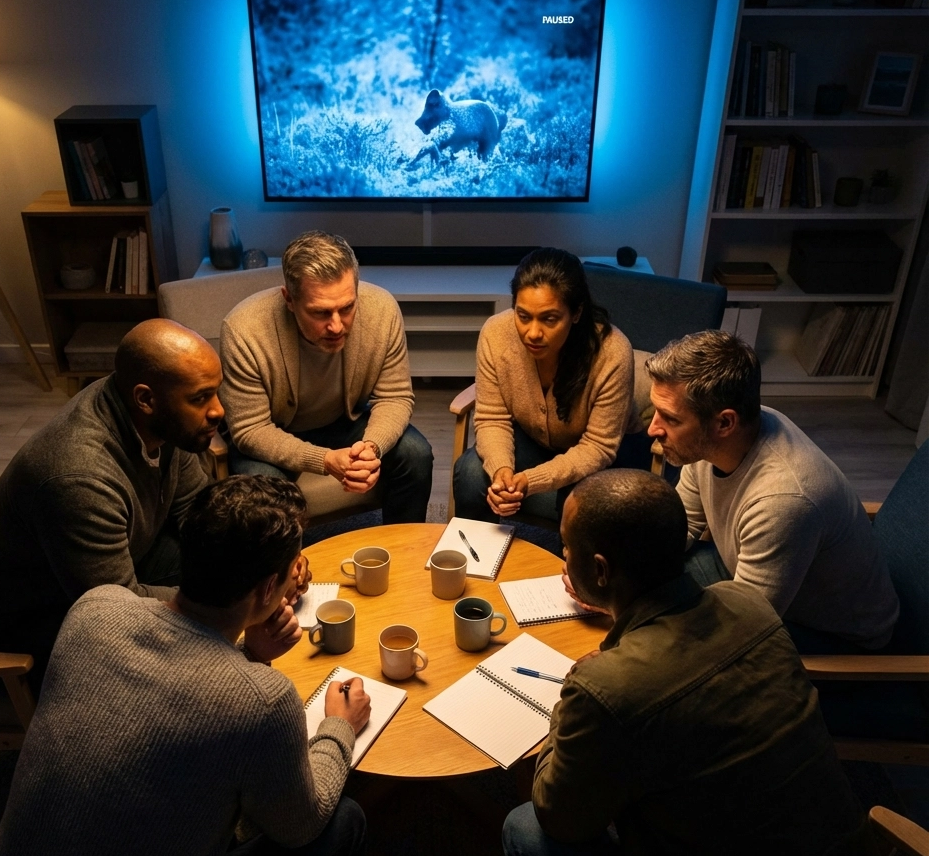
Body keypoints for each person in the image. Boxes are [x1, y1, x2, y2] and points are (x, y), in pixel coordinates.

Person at [0, 475, 371, 856]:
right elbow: (298, 824)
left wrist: (248, 653)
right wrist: (338, 728)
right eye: (293, 568)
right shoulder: (261, 701)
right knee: (344, 821)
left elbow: (167, 709)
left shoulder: (96, 610)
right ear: (270, 587)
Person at [502, 469, 895, 856]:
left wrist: (572, 699)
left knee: (524, 830)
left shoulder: (607, 689)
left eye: (565, 547)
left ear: (599, 570)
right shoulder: (749, 605)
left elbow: (559, 815)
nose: (564, 555)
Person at [0, 318, 310, 690]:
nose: (218, 411)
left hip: (121, 561)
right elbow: (119, 609)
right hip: (23, 626)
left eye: (216, 393)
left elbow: (200, 519)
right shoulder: (78, 478)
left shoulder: (164, 419)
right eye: (200, 398)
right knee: (187, 678)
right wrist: (248, 604)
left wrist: (268, 562)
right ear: (145, 399)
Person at [645, 329, 897, 652]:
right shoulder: (713, 441)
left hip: (829, 635)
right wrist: (622, 573)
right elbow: (683, 525)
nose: (653, 428)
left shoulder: (783, 501)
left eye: (670, 418)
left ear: (725, 423)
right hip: (746, 576)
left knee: (657, 655)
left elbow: (742, 632)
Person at [220, 230, 433, 523]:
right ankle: (284, 568)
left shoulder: (382, 310)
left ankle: (403, 551)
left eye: (347, 308)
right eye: (320, 313)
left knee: (415, 453)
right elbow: (249, 430)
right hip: (274, 431)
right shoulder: (244, 330)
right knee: (262, 489)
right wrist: (324, 460)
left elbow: (395, 396)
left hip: (346, 423)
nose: (336, 326)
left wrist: (370, 449)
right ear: (289, 299)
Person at [452, 247, 645, 523]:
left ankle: (567, 564)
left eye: (549, 319)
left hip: (606, 452)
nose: (533, 332)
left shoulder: (612, 352)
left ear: (576, 313)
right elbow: (492, 418)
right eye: (523, 315)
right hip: (536, 439)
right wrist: (502, 472)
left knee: (583, 502)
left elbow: (599, 446)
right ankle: (477, 559)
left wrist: (531, 480)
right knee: (472, 473)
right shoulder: (495, 334)